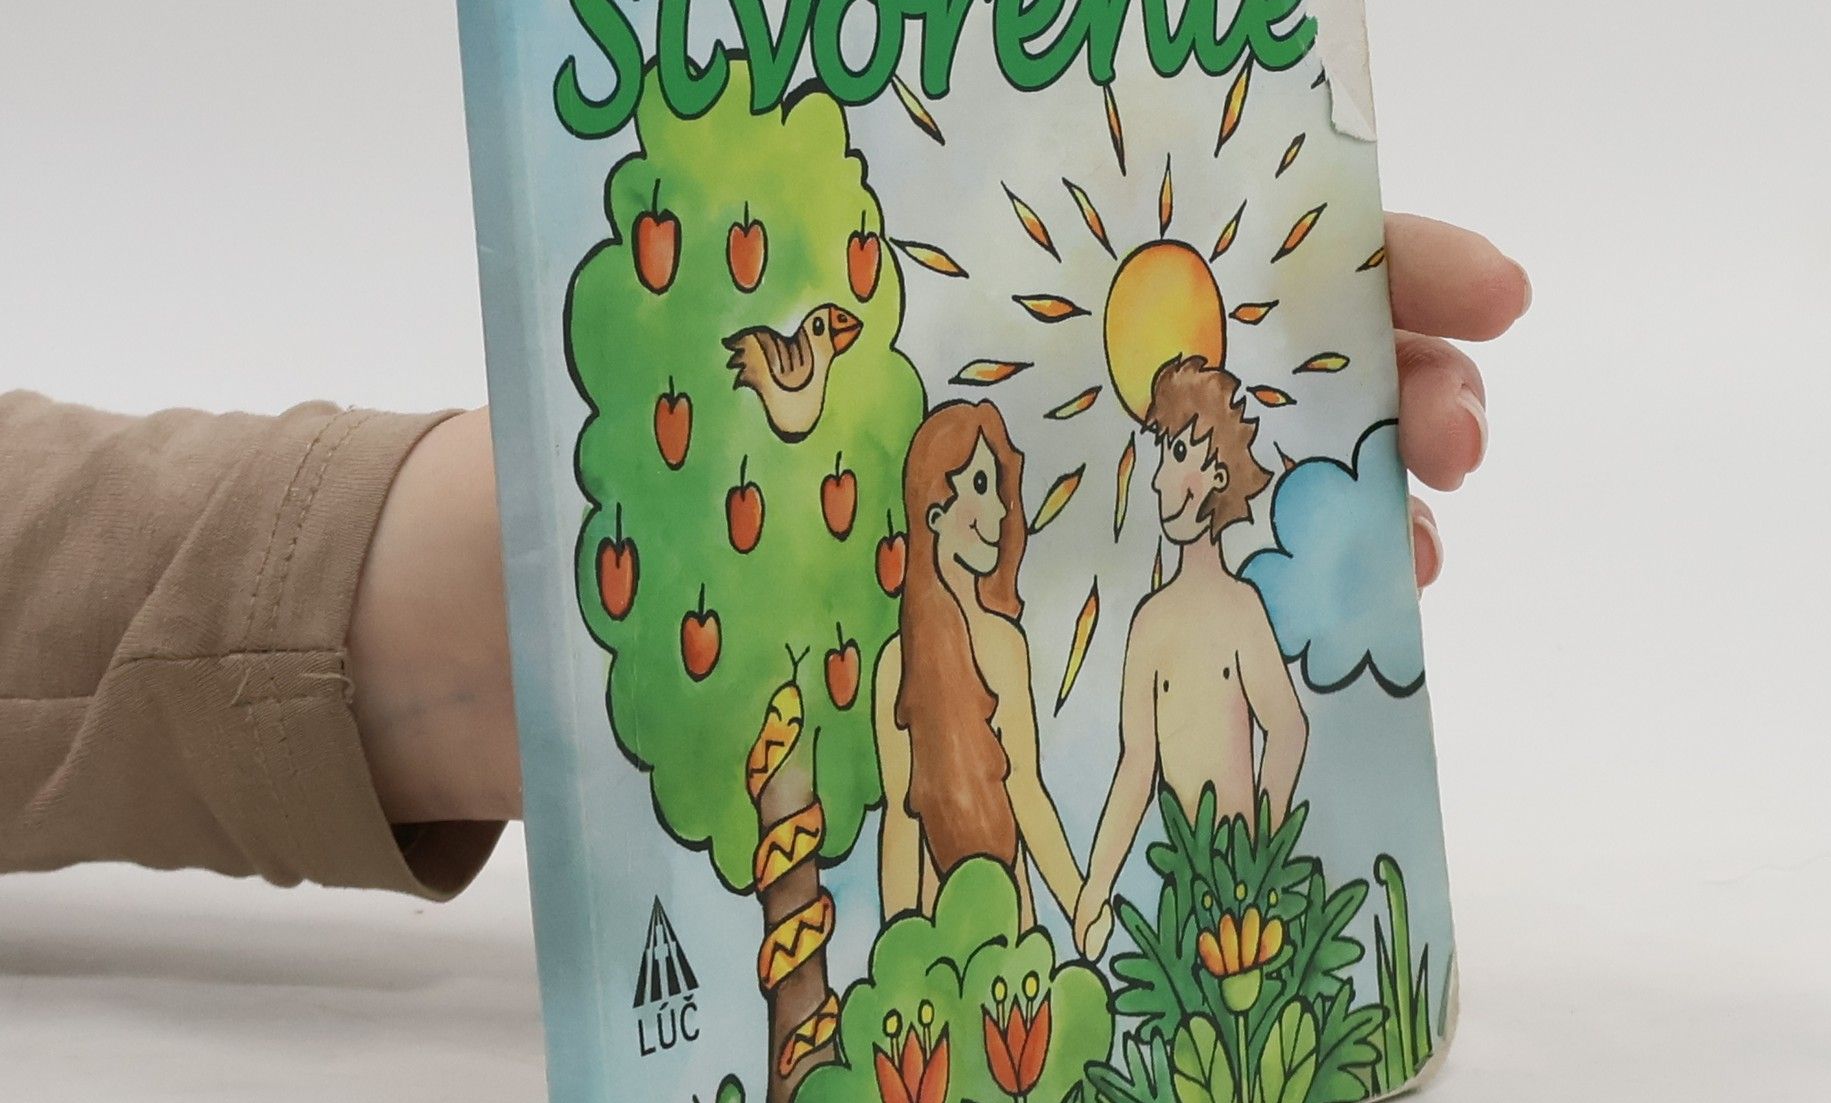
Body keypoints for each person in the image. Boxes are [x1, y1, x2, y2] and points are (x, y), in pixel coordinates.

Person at [0, 215, 1525, 897]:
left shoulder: (1063, 629)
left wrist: (401, 576)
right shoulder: (981, 648)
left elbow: (1226, 744)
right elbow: (1075, 780)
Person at [1072, 358, 1306, 959]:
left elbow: (1288, 727)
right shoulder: (1149, 625)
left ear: (1218, 473)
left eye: (1177, 454)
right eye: (1161, 456)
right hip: (1183, 899)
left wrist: (1262, 850)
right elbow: (1136, 766)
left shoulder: (1241, 609)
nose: (1158, 481)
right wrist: (1095, 889)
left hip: (1248, 894)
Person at [872, 400, 1083, 930]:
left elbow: (1026, 790)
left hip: (1014, 923)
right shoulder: (897, 664)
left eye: (999, 490)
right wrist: (897, 947)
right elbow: (901, 819)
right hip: (935, 924)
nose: (1002, 512)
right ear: (935, 511)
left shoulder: (1005, 646)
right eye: (981, 486)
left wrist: (1079, 904)